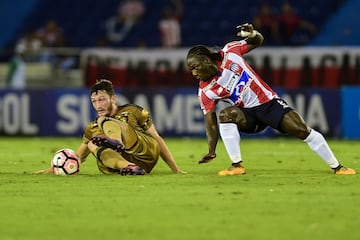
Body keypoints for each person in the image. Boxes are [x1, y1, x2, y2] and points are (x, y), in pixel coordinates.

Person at [186, 23, 356, 176]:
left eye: (195, 67)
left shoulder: (230, 52)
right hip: (248, 116)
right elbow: (211, 121)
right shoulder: (205, 91)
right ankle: (237, 165)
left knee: (302, 130)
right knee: (225, 115)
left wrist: (252, 34)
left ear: (206, 60)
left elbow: (258, 41)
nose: (193, 73)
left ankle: (338, 167)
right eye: (190, 70)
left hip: (269, 104)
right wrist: (211, 150)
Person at [36, 79, 185, 175]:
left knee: (103, 121)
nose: (98, 105)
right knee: (93, 142)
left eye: (102, 99)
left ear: (113, 98)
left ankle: (116, 141)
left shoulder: (133, 111)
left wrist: (176, 169)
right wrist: (53, 169)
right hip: (129, 166)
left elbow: (156, 137)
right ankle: (129, 167)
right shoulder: (92, 128)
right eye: (94, 101)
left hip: (145, 152)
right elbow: (77, 157)